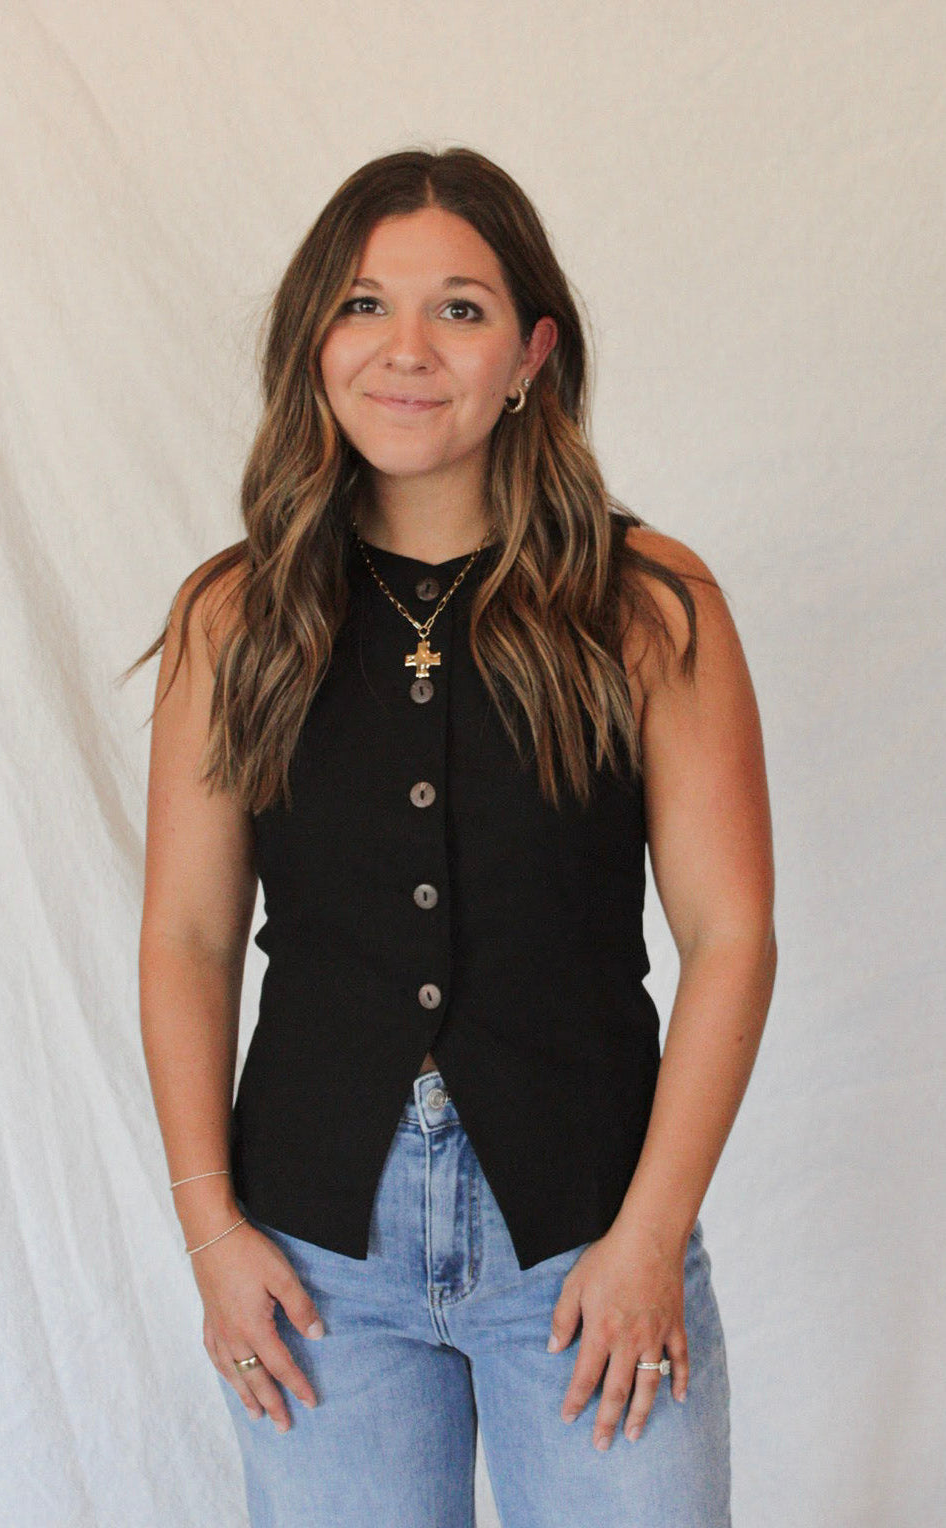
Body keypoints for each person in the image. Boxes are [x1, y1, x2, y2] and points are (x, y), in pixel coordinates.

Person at [129, 145, 776, 1527]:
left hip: (589, 1250)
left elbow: (731, 938)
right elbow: (186, 938)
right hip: (315, 1265)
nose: (405, 349)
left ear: (532, 352)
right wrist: (211, 1233)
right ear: (314, 340)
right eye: (363, 306)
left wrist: (650, 1234)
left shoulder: (647, 604)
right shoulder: (234, 618)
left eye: (461, 309)